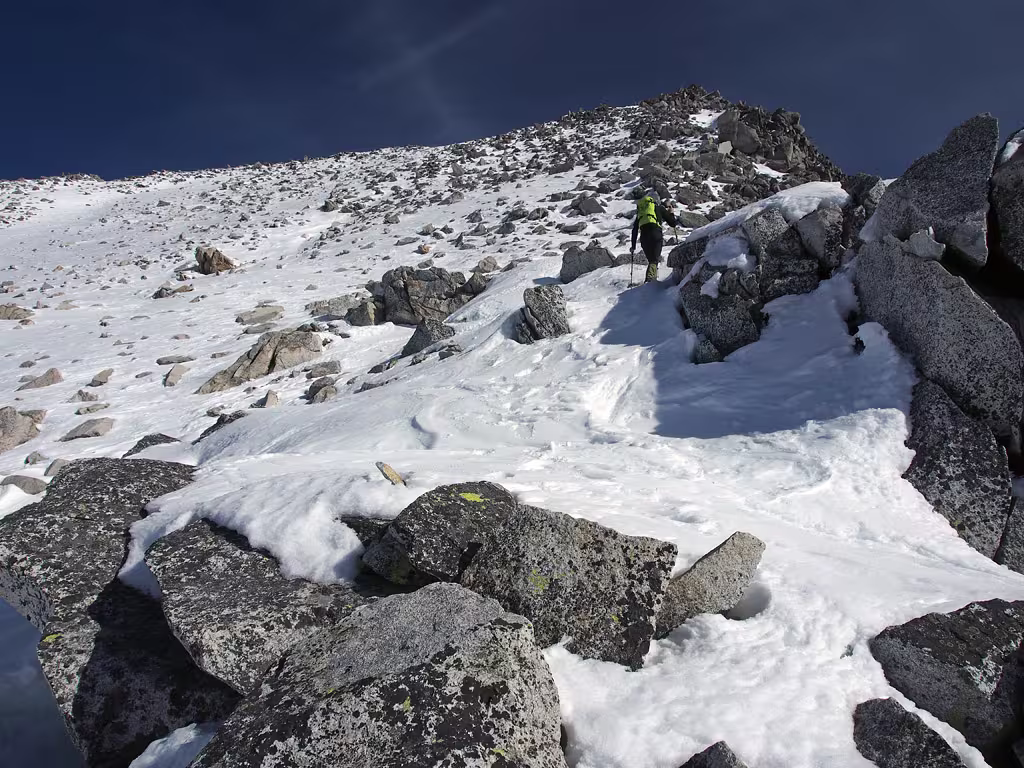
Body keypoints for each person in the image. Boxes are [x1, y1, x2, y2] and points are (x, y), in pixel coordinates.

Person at [630, 191, 678, 283]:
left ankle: (651, 282)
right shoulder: (659, 208)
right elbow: (673, 223)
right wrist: (671, 213)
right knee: (654, 261)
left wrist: (633, 246)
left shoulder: (642, 213)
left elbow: (635, 230)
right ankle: (650, 283)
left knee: (652, 261)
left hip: (644, 237)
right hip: (656, 234)